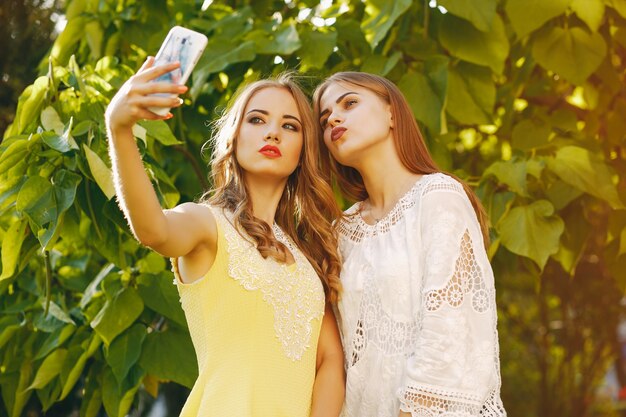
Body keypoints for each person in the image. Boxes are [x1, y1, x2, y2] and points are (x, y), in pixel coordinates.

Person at [105, 57, 345, 417]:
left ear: (302, 152)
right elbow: (153, 229)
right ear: (234, 136)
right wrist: (119, 128)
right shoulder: (206, 224)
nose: (272, 133)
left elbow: (329, 360)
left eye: (290, 126)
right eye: (257, 119)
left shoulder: (306, 255)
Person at [313, 72, 506, 417]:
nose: (334, 120)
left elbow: (449, 332)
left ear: (392, 114)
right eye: (324, 119)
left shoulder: (438, 197)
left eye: (350, 103)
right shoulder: (340, 231)